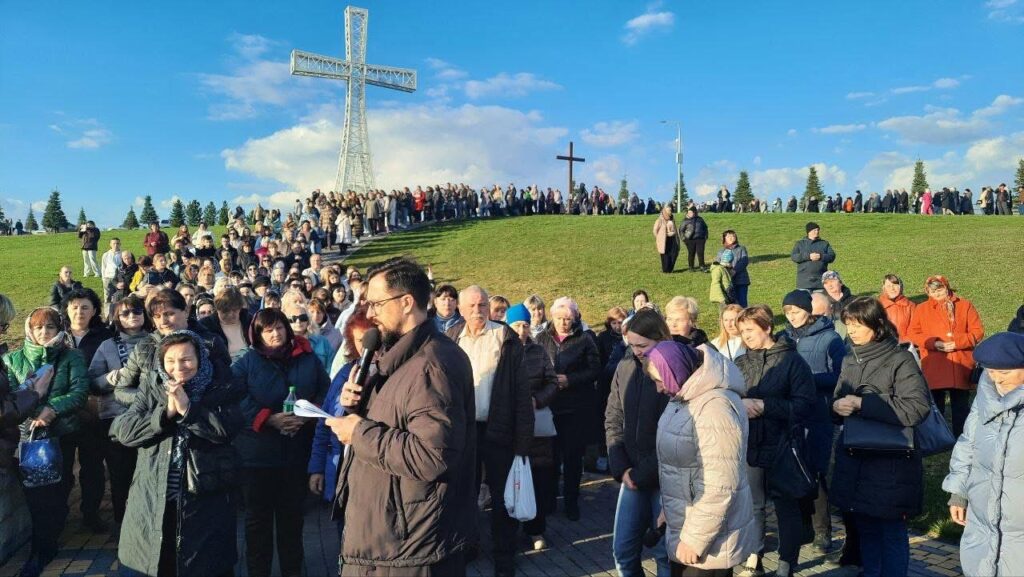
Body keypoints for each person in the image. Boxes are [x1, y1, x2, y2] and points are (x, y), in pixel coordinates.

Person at [326, 257, 476, 576]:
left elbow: (432, 455)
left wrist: (359, 433)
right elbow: (397, 418)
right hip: (387, 543)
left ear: (406, 303)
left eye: (377, 304)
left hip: (408, 551)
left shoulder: (432, 366)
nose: (370, 314)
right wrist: (360, 405)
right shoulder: (399, 357)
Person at [111, 330, 244, 577]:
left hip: (203, 502)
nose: (178, 367)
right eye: (170, 361)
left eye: (186, 359)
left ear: (200, 359)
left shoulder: (222, 386)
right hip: (153, 499)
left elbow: (226, 429)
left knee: (204, 566)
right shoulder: (152, 386)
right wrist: (165, 414)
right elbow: (124, 431)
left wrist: (188, 410)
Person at [830, 297, 931, 577]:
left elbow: (917, 407)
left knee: (891, 531)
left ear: (877, 325)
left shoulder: (900, 359)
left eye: (857, 324)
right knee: (866, 529)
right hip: (855, 458)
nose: (851, 330)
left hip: (891, 463)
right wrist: (836, 407)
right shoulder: (850, 358)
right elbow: (839, 398)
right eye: (848, 324)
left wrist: (863, 404)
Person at [231, 308, 329, 577]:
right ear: (257, 334)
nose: (275, 334)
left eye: (279, 327)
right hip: (257, 456)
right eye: (268, 330)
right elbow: (235, 396)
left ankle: (292, 571)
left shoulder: (307, 357)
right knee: (257, 524)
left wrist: (308, 415)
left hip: (295, 453)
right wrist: (268, 418)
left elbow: (325, 389)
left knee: (292, 521)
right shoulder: (247, 362)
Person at [649, 339, 758, 576]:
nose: (658, 388)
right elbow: (680, 467)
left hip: (709, 539)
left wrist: (695, 539)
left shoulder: (714, 408)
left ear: (676, 371)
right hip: (688, 524)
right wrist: (669, 510)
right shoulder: (684, 397)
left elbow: (720, 483)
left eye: (660, 379)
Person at [445, 286, 533, 577]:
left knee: (502, 496)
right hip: (464, 431)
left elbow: (522, 392)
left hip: (499, 429)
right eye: (471, 306)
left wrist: (523, 440)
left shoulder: (505, 337)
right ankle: (467, 546)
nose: (477, 310)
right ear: (460, 309)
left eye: (482, 304)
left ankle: (504, 554)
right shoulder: (451, 338)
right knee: (464, 493)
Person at [4, 307, 89, 577]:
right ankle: (41, 548)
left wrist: (52, 409)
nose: (44, 332)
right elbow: (10, 396)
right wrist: (33, 408)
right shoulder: (12, 359)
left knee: (57, 490)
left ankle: (47, 542)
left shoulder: (71, 357)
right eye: (38, 327)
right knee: (35, 496)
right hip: (25, 438)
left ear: (59, 329)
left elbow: (79, 391)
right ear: (30, 329)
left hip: (60, 434)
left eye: (50, 327)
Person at [733, 305, 815, 577]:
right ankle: (754, 557)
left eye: (750, 329)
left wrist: (765, 406)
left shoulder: (792, 361)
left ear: (767, 327)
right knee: (753, 505)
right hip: (750, 444)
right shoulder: (740, 363)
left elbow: (805, 405)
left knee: (785, 505)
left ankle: (786, 562)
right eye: (742, 331)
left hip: (784, 444)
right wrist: (740, 404)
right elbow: (729, 397)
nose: (746, 336)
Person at [944, 332, 1024, 577]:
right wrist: (959, 492)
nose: (997, 379)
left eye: (1005, 372)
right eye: (990, 371)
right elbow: (967, 444)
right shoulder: (984, 399)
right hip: (982, 518)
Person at [604, 309, 673, 577]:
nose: (636, 351)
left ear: (660, 338)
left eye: (642, 345)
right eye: (631, 345)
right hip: (631, 473)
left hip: (664, 477)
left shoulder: (673, 370)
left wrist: (641, 473)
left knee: (664, 554)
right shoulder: (625, 366)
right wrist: (621, 466)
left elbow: (674, 433)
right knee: (623, 551)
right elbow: (613, 416)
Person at [780, 290, 846, 553]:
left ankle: (822, 531)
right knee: (793, 470)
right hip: (789, 414)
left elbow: (840, 376)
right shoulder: (783, 338)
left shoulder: (830, 338)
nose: (791, 316)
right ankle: (802, 526)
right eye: (787, 312)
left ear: (808, 311)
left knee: (816, 471)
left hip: (818, 413)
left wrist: (806, 380)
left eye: (795, 311)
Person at [535, 296, 601, 521]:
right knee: (550, 457)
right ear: (552, 317)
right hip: (550, 406)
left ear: (575, 318)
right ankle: (551, 498)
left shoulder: (585, 339)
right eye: (559, 318)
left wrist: (570, 380)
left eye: (568, 319)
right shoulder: (542, 338)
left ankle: (572, 500)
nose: (563, 323)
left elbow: (595, 369)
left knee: (573, 457)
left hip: (575, 407)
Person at [86, 295, 149, 528]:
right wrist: (110, 378)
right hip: (117, 418)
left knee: (147, 473)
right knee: (121, 474)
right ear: (117, 318)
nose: (132, 316)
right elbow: (92, 382)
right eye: (125, 313)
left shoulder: (155, 341)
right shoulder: (108, 346)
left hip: (150, 415)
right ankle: (123, 525)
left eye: (137, 311)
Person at [307, 307, 372, 531]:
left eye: (371, 339)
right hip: (340, 470)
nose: (367, 348)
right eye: (360, 341)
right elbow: (324, 422)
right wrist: (317, 468)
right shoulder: (345, 372)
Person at [505, 303, 559, 552]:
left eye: (525, 325)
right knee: (508, 477)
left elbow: (552, 382)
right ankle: (508, 529)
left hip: (536, 424)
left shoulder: (538, 351)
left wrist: (538, 400)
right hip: (508, 424)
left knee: (537, 479)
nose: (521, 330)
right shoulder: (501, 350)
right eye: (517, 325)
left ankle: (535, 529)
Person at [60, 287, 115, 532]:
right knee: (63, 467)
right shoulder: (57, 336)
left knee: (92, 466)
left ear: (94, 311)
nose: (79, 312)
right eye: (74, 307)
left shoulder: (104, 337)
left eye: (85, 307)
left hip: (94, 411)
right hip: (63, 412)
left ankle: (90, 514)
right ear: (66, 310)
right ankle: (60, 515)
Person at [908, 275, 985, 437]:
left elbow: (977, 331)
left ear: (947, 287)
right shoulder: (921, 309)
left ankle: (961, 438)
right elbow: (913, 334)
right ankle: (938, 438)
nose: (936, 293)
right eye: (932, 291)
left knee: (960, 406)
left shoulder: (965, 305)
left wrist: (958, 343)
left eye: (940, 289)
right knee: (936, 406)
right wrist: (934, 343)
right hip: (935, 364)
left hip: (960, 363)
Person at [199, 286, 252, 361]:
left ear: (240, 308)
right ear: (217, 309)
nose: (230, 314)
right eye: (225, 311)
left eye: (234, 310)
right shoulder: (205, 325)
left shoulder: (249, 320)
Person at [790, 222, 836, 291]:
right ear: (809, 232)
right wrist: (808, 256)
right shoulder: (800, 244)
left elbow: (832, 256)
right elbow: (794, 256)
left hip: (820, 282)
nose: (817, 232)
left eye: (818, 230)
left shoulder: (824, 243)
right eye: (814, 230)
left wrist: (821, 256)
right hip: (804, 283)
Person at [878, 274, 916, 343]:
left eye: (895, 285)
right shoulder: (877, 306)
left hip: (906, 344)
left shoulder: (910, 306)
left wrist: (903, 341)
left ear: (901, 287)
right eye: (888, 286)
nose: (892, 289)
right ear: (884, 288)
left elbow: (915, 328)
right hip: (885, 345)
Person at [718, 230, 750, 307]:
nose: (731, 237)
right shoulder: (721, 251)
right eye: (729, 236)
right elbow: (717, 264)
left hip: (741, 280)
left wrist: (734, 270)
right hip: (727, 282)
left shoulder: (741, 248)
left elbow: (744, 261)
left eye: (733, 236)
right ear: (724, 238)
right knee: (730, 304)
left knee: (742, 303)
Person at [680, 207, 709, 272]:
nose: (689, 213)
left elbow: (705, 227)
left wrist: (705, 236)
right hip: (690, 240)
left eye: (691, 212)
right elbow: (681, 230)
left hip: (700, 239)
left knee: (700, 253)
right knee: (691, 253)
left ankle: (702, 266)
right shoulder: (685, 220)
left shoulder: (700, 219)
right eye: (688, 212)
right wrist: (684, 239)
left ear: (695, 212)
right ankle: (691, 267)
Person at [653, 206, 680, 273]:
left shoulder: (672, 219)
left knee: (674, 254)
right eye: (668, 210)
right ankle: (666, 270)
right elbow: (655, 230)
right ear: (665, 211)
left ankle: (670, 268)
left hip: (673, 239)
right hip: (664, 240)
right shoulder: (660, 220)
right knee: (665, 255)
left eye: (670, 210)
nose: (670, 212)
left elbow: (675, 228)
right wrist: (659, 238)